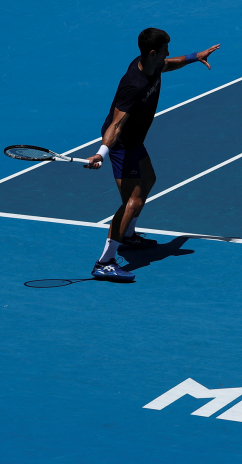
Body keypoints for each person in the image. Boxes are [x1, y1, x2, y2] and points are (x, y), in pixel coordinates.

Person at [86, 28, 219, 282]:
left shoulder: (153, 65)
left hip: (135, 141)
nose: (168, 53)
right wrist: (101, 153)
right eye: (165, 50)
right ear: (152, 52)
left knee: (149, 180)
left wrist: (195, 56)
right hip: (121, 145)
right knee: (132, 201)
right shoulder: (132, 85)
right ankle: (104, 262)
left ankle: (128, 236)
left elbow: (169, 64)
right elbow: (115, 125)